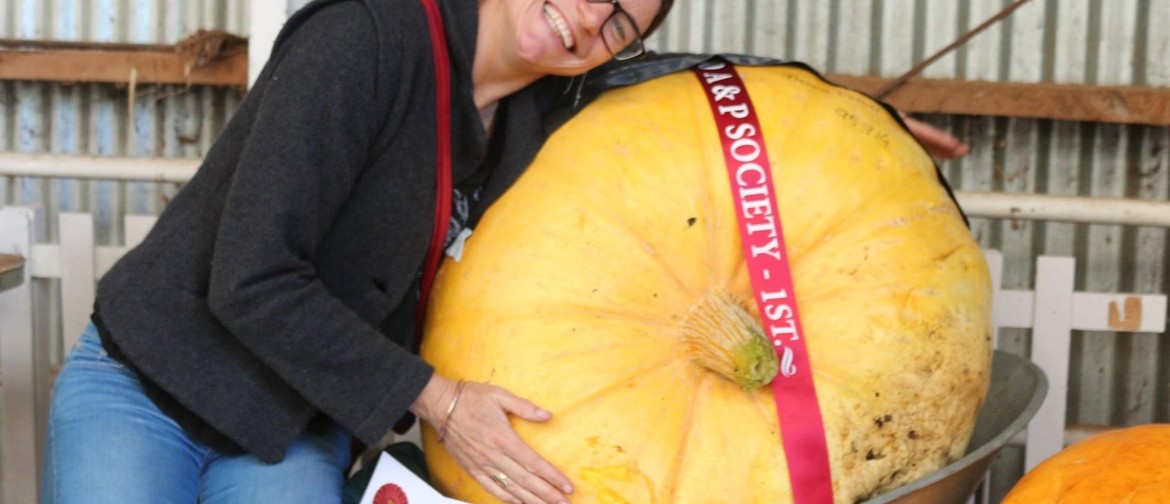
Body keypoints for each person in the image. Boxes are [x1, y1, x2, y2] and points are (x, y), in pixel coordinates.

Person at [41, 0, 967, 503]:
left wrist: (856, 125)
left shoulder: (539, 108)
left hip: (292, 426)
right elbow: (250, 278)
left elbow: (679, 95)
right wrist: (439, 400)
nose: (585, 18)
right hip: (152, 391)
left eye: (618, 22)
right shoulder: (368, 36)